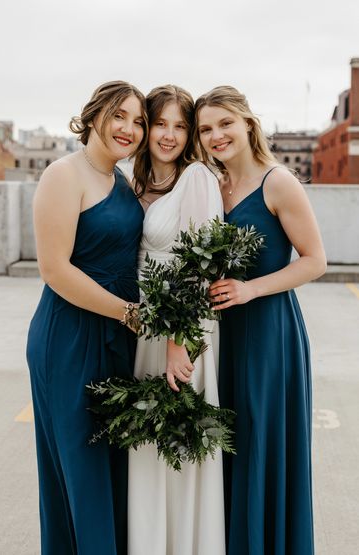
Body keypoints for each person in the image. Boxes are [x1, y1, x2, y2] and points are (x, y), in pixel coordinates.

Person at [195, 86, 327, 555]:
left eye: (225, 123)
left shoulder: (278, 182)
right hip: (220, 335)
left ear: (248, 122)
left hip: (269, 332)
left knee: (259, 444)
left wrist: (251, 288)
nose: (216, 135)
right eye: (206, 128)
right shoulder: (210, 183)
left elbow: (314, 261)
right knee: (225, 445)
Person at [26, 81, 148, 555]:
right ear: (94, 114)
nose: (130, 128)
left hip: (117, 332)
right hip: (71, 336)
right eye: (120, 115)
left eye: (139, 120)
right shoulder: (63, 174)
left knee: (111, 464)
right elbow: (55, 269)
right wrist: (127, 313)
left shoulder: (120, 180)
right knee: (81, 470)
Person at [128, 85, 226, 555]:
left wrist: (177, 340)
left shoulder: (198, 178)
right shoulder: (133, 181)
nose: (168, 135)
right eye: (160, 123)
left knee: (181, 447)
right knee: (148, 446)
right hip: (145, 330)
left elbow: (203, 267)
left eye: (180, 125)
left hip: (183, 332)